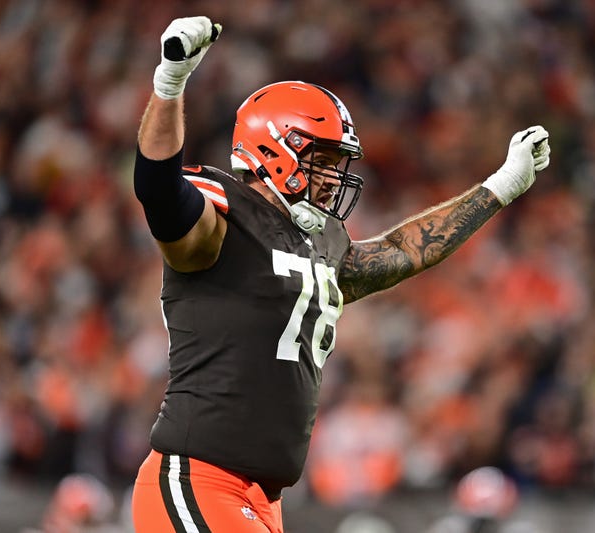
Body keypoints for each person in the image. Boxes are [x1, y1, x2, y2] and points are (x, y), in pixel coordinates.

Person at [130, 16, 550, 533]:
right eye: (323, 160)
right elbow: (156, 188)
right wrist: (170, 83)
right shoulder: (222, 217)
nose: (334, 177)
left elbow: (403, 252)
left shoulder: (320, 243)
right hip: (199, 477)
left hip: (262, 499)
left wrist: (499, 187)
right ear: (274, 150)